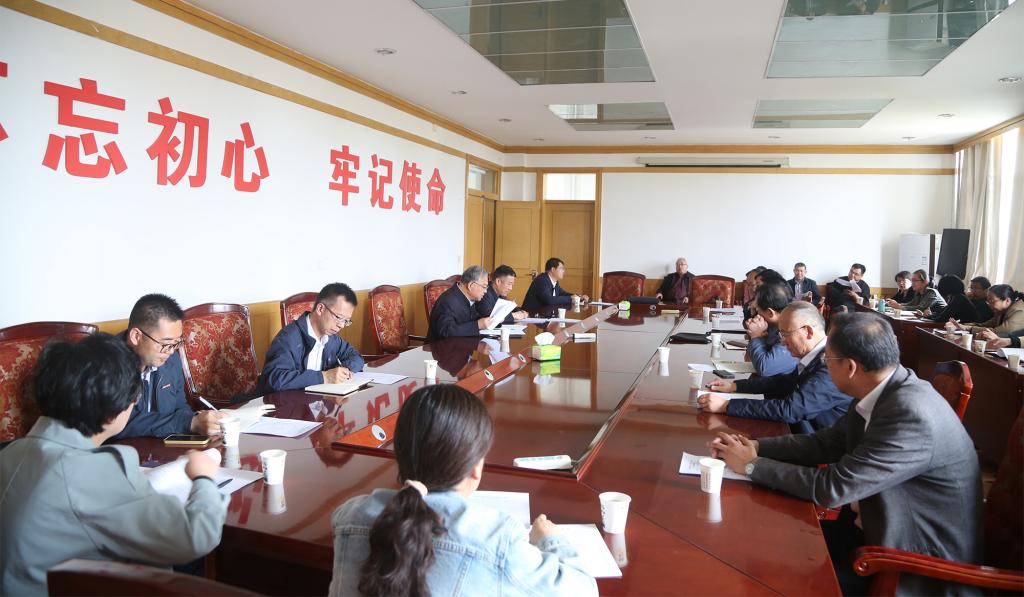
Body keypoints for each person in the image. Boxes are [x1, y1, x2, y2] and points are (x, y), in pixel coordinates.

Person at [711, 313, 982, 596]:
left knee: (754, 574)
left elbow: (833, 487)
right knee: (751, 540)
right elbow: (827, 442)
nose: (824, 366)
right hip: (870, 533)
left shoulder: (911, 414)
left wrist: (752, 466)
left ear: (851, 367)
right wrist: (757, 447)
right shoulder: (883, 389)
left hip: (909, 568)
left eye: (827, 359)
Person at [0, 333, 228, 595]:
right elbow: (195, 536)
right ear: (112, 414)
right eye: (134, 399)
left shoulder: (10, 452)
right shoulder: (92, 472)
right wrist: (203, 478)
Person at [329, 384, 597, 597]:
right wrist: (550, 539)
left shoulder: (349, 515)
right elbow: (584, 590)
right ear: (475, 468)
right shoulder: (497, 537)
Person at [700, 302, 852, 434]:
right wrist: (735, 386)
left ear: (808, 331)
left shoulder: (832, 363)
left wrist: (726, 405)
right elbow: (783, 383)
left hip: (814, 443)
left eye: (786, 334)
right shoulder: (816, 355)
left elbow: (790, 410)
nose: (783, 343)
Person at [113, 293, 224, 440]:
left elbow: (180, 408)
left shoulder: (171, 361)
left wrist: (201, 420)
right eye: (165, 343)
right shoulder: (107, 365)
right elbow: (118, 425)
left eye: (176, 343)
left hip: (161, 449)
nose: (171, 351)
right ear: (136, 336)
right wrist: (188, 423)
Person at [258, 283, 365, 393]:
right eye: (339, 317)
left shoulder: (331, 338)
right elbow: (274, 379)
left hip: (318, 399)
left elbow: (355, 356)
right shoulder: (288, 338)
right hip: (288, 402)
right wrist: (324, 377)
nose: (341, 325)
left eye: (346, 321)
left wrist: (345, 370)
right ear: (320, 309)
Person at [745, 282, 799, 376]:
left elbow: (765, 368)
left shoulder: (791, 330)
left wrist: (756, 337)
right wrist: (755, 335)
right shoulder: (771, 326)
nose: (756, 314)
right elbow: (748, 361)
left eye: (757, 310)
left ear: (770, 313)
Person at [427, 265, 492, 342]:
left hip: (463, 344)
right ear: (471, 285)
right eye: (484, 287)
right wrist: (477, 325)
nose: (485, 291)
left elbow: (472, 320)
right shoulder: (447, 301)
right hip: (441, 347)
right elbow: (446, 332)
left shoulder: (466, 297)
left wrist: (490, 321)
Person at [947, 284, 1024, 335]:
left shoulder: (1018, 311)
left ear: (1007, 301)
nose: (989, 305)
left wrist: (968, 328)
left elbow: (1000, 332)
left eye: (992, 301)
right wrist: (960, 325)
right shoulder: (1001, 311)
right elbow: (984, 325)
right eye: (988, 301)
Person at [521, 258, 589, 311]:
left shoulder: (554, 281)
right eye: (561, 268)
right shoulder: (542, 280)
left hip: (544, 314)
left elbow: (562, 293)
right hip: (531, 315)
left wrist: (578, 297)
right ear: (553, 269)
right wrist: (571, 298)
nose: (564, 271)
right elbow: (549, 300)